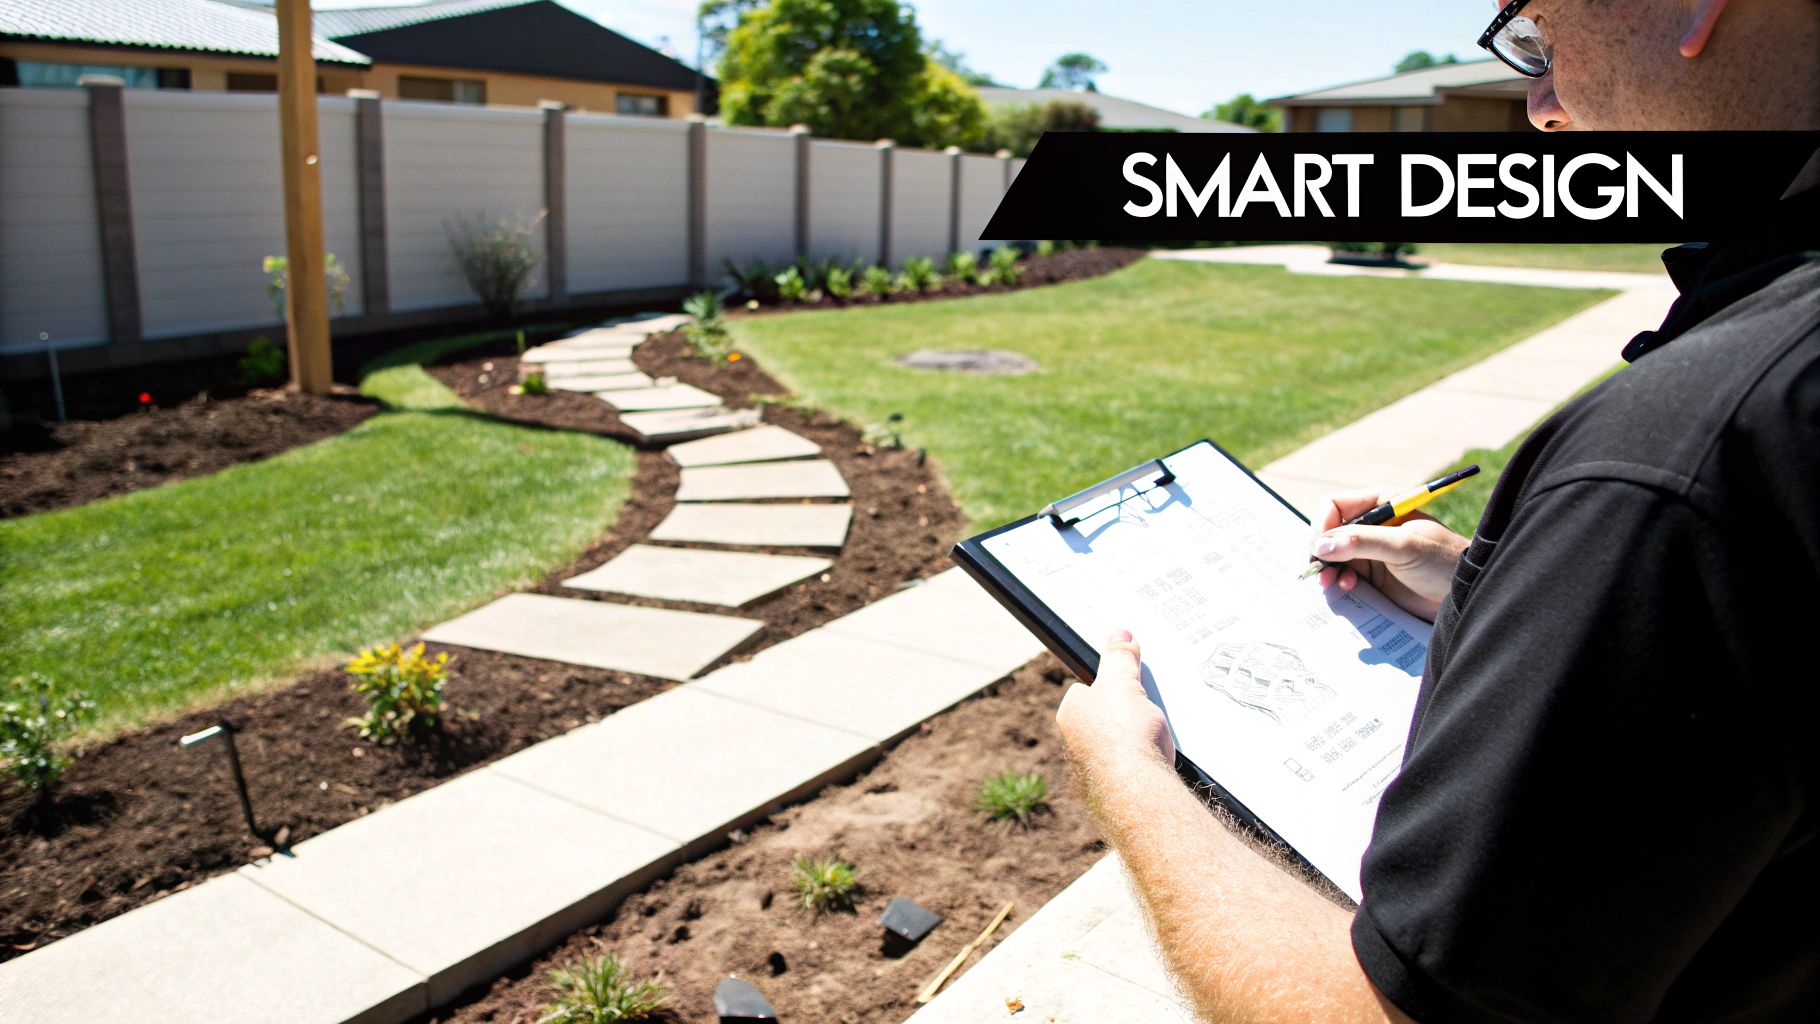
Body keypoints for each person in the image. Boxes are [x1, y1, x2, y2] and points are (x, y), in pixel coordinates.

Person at [1054, 0, 1820, 1019]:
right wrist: (1498, 592)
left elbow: (1380, 1012)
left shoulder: (1678, 459)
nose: (1539, 107)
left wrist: (1127, 778)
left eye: (1541, 40)